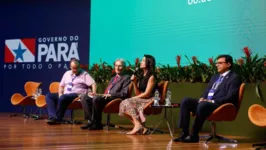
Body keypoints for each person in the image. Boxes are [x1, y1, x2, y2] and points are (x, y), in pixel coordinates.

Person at [173, 54, 242, 143]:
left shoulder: (234, 78)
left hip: (220, 105)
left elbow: (230, 97)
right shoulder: (215, 77)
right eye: (216, 63)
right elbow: (207, 91)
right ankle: (184, 133)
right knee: (185, 101)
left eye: (220, 63)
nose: (217, 65)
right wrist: (203, 98)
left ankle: (194, 134)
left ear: (228, 64)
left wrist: (211, 101)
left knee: (203, 105)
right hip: (206, 103)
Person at [80, 58, 131, 130]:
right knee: (84, 97)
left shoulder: (126, 78)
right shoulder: (113, 78)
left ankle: (97, 124)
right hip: (106, 97)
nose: (117, 68)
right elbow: (107, 91)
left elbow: (124, 93)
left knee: (96, 98)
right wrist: (98, 94)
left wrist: (110, 95)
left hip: (115, 98)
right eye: (116, 65)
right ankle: (91, 121)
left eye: (120, 66)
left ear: (124, 67)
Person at [46, 58, 96, 125]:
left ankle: (58, 118)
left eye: (77, 68)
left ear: (79, 66)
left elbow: (93, 83)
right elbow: (61, 85)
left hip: (76, 94)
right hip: (65, 94)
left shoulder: (84, 74)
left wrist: (94, 92)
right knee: (49, 96)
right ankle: (52, 117)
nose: (75, 70)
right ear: (70, 67)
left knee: (63, 97)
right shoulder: (67, 73)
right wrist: (60, 93)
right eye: (73, 68)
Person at [119, 54, 157, 135]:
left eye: (143, 60)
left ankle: (138, 126)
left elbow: (147, 94)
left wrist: (134, 98)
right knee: (123, 103)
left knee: (127, 101)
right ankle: (140, 126)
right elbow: (138, 93)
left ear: (149, 63)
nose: (141, 62)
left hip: (150, 100)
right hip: (142, 99)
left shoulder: (152, 77)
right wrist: (134, 82)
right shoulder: (141, 77)